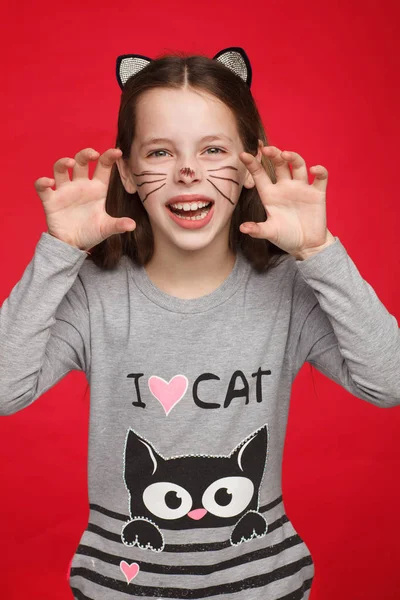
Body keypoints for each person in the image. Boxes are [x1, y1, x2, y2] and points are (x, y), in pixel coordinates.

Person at [0, 47, 399, 600]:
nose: (188, 170)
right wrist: (57, 253)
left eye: (213, 149)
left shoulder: (288, 288)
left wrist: (320, 251)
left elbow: (390, 382)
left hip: (265, 587)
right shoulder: (93, 294)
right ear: (130, 174)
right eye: (161, 152)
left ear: (250, 165)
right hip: (120, 586)